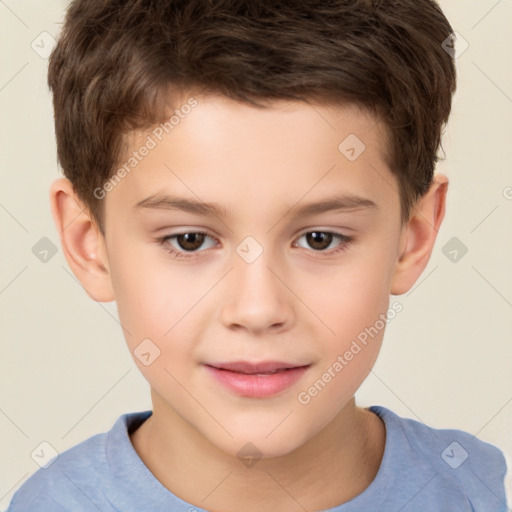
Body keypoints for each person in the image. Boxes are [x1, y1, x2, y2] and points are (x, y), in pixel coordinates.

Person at [6, 0, 509, 510]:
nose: (258, 309)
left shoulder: (482, 494)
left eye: (320, 239)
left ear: (414, 236)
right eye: (189, 240)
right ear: (89, 245)